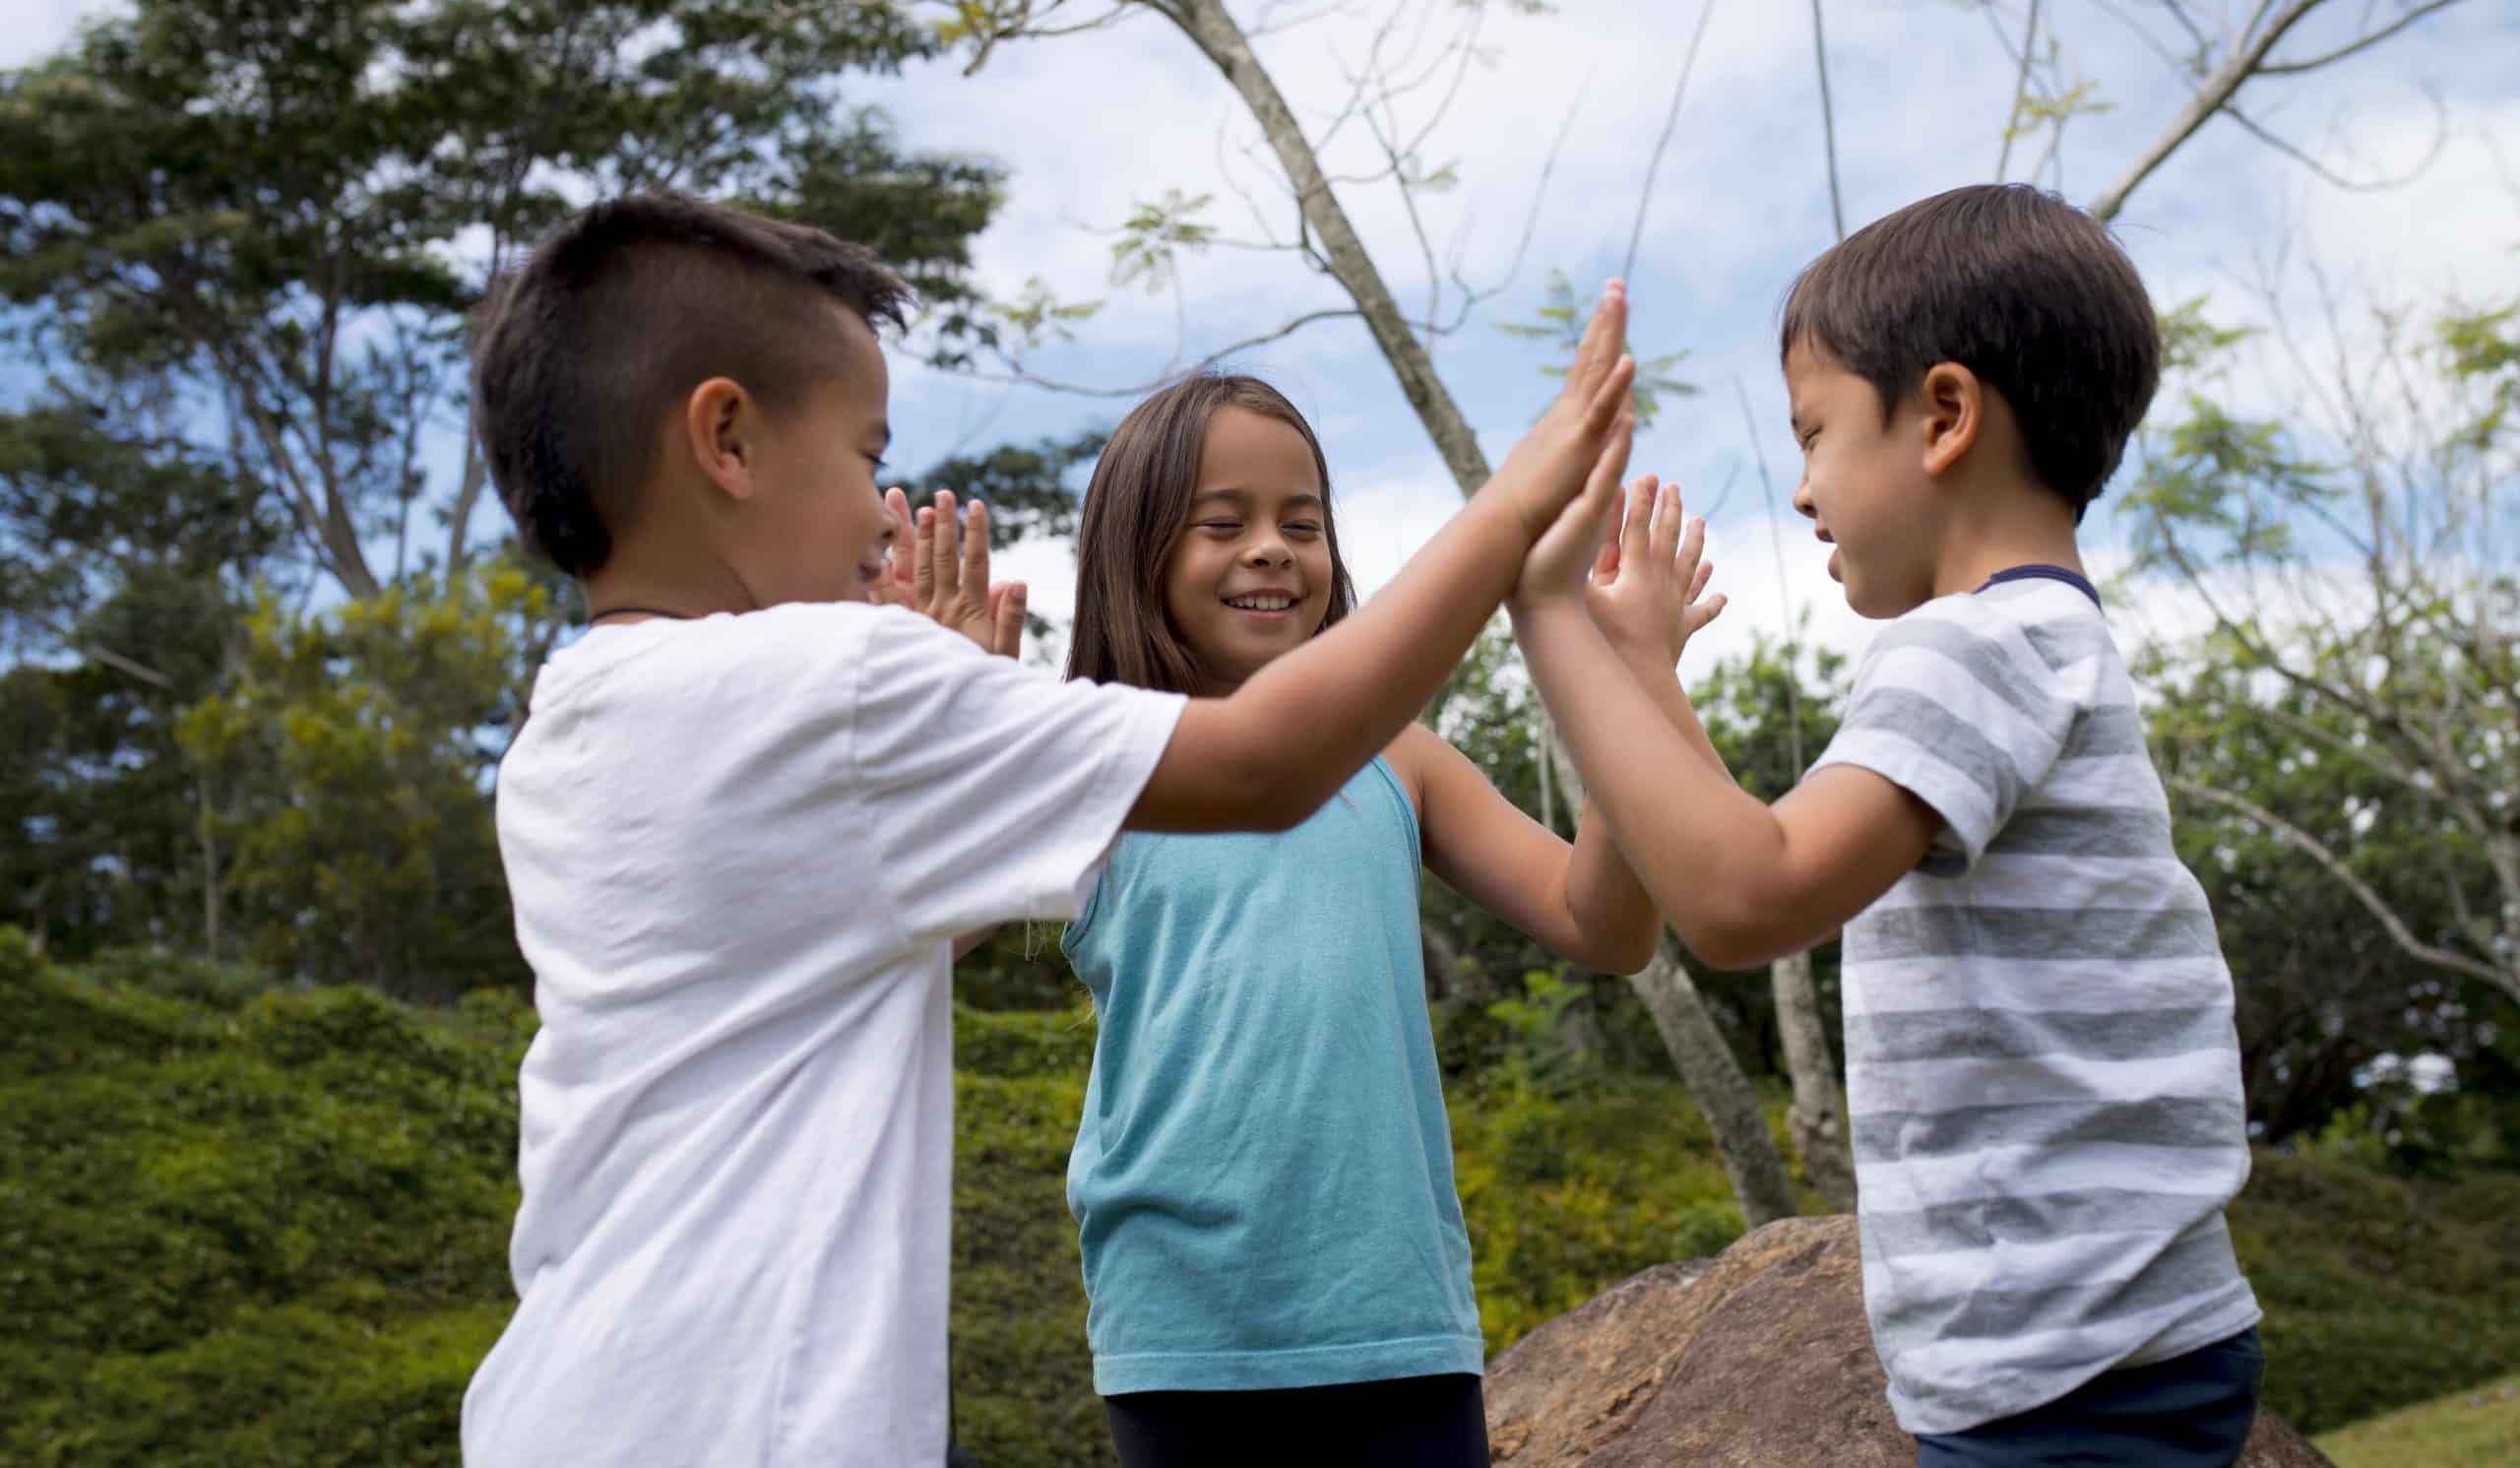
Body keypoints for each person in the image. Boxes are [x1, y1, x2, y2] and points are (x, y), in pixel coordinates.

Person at [455, 192, 1638, 1468]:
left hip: (575, 1398)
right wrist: (1513, 507)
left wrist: (930, 735)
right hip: (762, 1413)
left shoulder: (563, 737)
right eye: (865, 457)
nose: (879, 518)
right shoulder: (829, 688)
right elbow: (1262, 762)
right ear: (728, 439)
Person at [1509, 185, 2264, 1466]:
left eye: (1814, 435)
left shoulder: (1969, 649)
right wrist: (1643, 672)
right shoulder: (2035, 641)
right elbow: (1766, 846)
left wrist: (1548, 614)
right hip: (2101, 1346)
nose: (1803, 490)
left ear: (1946, 415)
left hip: (2063, 1370)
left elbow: (1746, 897)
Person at [1052, 358, 1720, 1468]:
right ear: (1137, 550)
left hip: (1398, 1322)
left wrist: (1637, 675)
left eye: (1300, 522)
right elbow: (917, 936)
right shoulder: (1089, 759)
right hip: (1181, 1331)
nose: (1271, 547)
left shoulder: (1397, 761)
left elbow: (1607, 926)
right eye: (1222, 522)